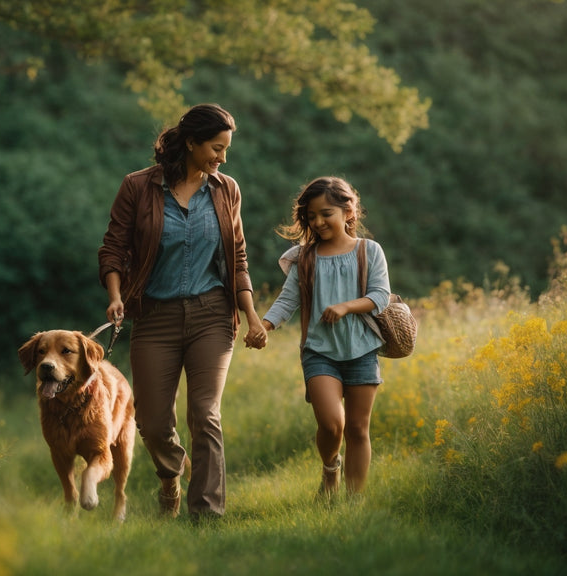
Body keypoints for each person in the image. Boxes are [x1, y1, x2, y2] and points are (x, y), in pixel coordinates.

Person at [97, 103, 267, 520]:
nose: (222, 158)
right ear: (190, 142)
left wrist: (252, 316)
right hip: (155, 316)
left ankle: (206, 514)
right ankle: (171, 474)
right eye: (215, 147)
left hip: (212, 313)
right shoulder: (137, 187)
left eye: (226, 149)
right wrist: (116, 294)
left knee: (205, 414)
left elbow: (237, 258)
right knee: (153, 422)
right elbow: (113, 248)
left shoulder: (227, 189)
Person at [258, 176, 390, 497]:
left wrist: (346, 307)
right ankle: (331, 467)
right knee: (332, 424)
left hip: (362, 350)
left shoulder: (368, 251)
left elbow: (381, 296)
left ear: (348, 212)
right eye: (311, 216)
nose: (317, 222)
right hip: (320, 352)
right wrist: (264, 326)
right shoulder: (305, 258)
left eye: (325, 213)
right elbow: (288, 301)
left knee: (358, 429)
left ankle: (353, 503)